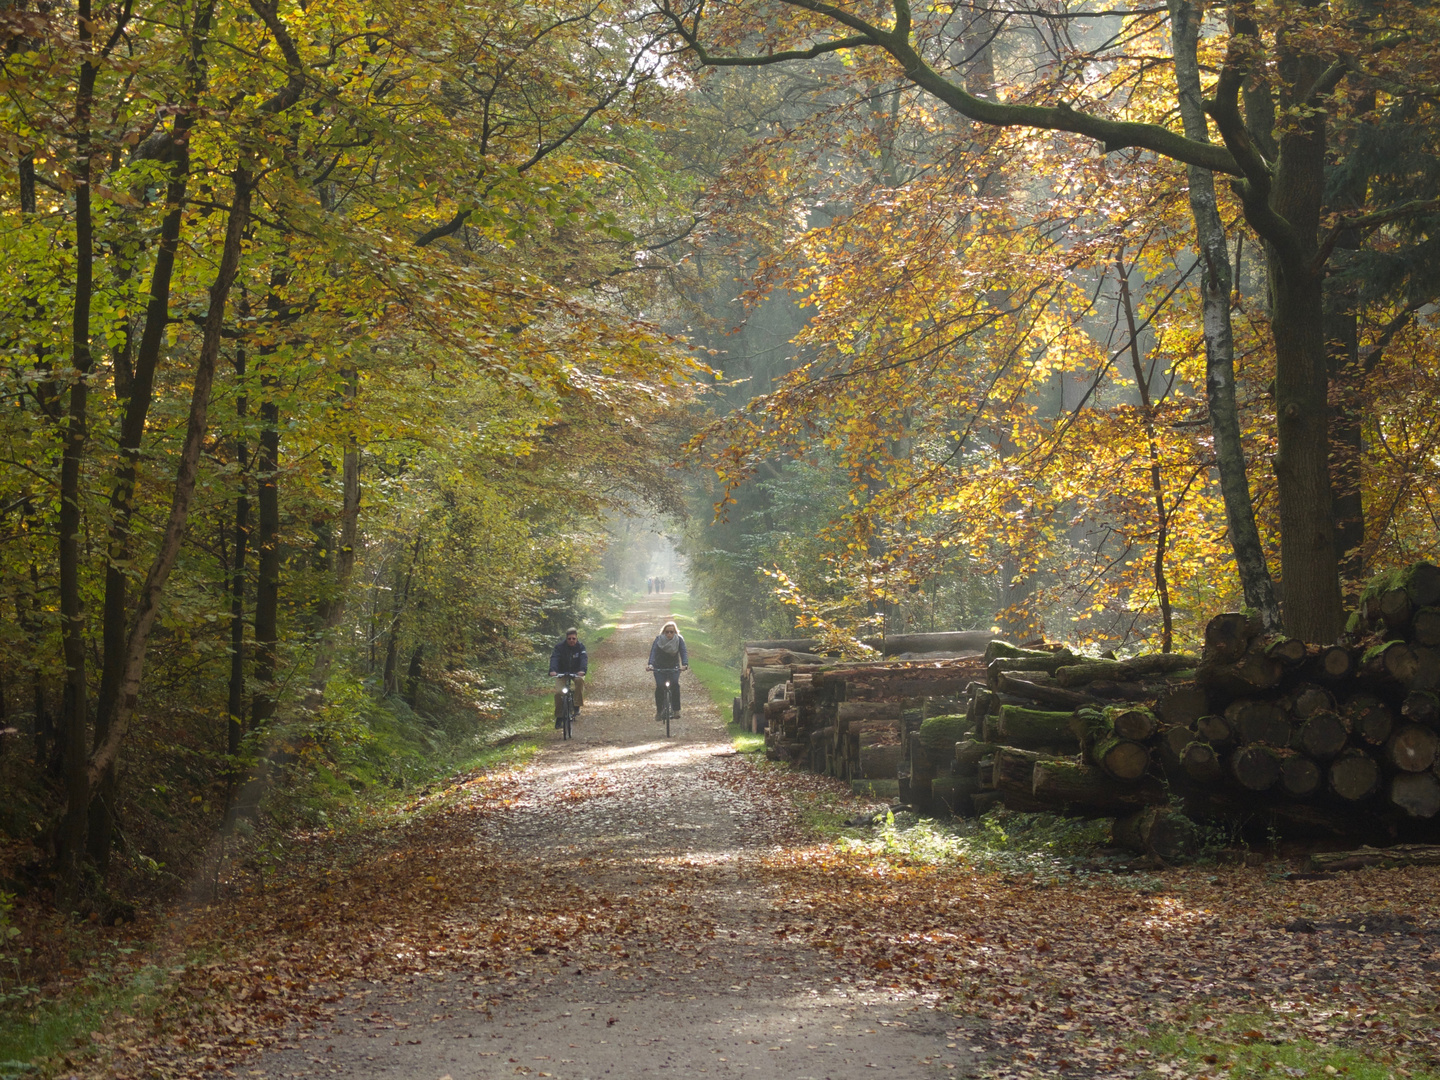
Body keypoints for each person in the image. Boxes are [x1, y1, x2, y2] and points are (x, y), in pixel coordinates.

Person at [645, 620, 688, 720]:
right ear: (664, 632)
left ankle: (676, 710)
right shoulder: (658, 640)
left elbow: (683, 652)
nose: (669, 634)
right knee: (660, 686)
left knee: (675, 685)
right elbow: (653, 652)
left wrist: (684, 664)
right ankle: (659, 711)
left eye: (671, 632)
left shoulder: (679, 640)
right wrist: (650, 665)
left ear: (675, 632)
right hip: (659, 667)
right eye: (667, 632)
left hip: (674, 667)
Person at [548, 627, 587, 728]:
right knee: (558, 693)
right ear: (566, 638)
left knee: (579, 681)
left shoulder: (581, 647)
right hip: (562, 673)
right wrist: (553, 670)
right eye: (569, 639)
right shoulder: (559, 647)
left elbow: (584, 659)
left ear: (576, 638)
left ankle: (577, 705)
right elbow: (554, 658)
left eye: (573, 638)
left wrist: (582, 670)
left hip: (577, 673)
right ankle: (559, 718)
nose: (571, 641)